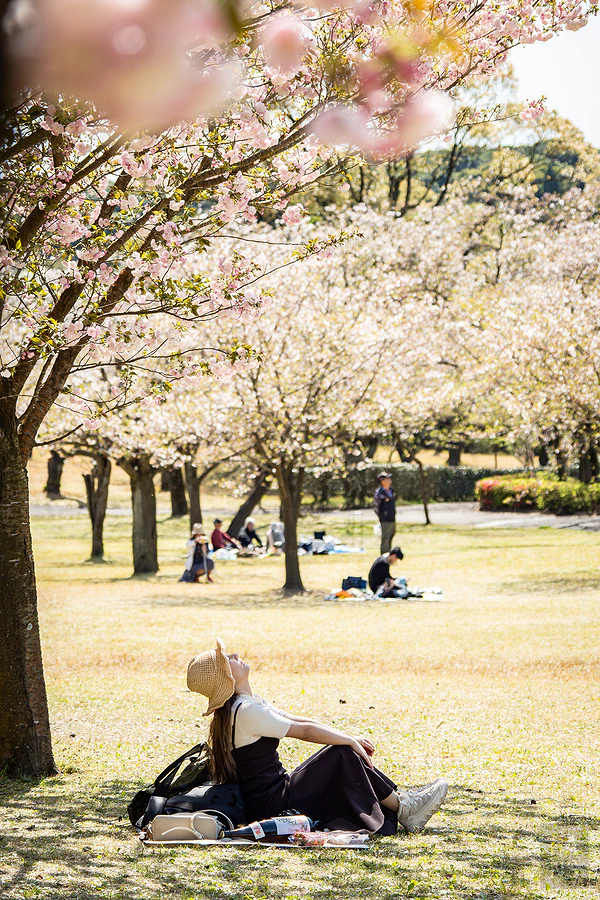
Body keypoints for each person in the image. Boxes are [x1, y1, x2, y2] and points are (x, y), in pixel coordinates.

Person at [187, 638, 448, 835]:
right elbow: (305, 733)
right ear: (227, 677)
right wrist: (347, 742)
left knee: (342, 750)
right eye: (227, 660)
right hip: (274, 803)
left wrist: (346, 735)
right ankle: (405, 808)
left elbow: (298, 720)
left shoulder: (244, 706)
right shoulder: (246, 711)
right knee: (341, 754)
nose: (234, 654)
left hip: (274, 794)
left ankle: (403, 802)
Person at [374, 472, 396, 554]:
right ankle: (384, 555)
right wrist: (382, 516)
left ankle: (389, 554)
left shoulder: (391, 491)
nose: (390, 480)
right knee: (385, 537)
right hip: (385, 518)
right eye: (387, 478)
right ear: (382, 481)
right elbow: (376, 506)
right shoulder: (379, 493)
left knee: (391, 534)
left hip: (392, 516)